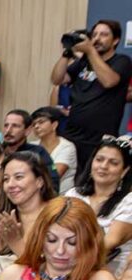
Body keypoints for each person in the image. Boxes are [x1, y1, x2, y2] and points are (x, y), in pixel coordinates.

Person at [52, 19, 132, 179]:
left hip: (98, 139)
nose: (97, 38)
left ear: (115, 40)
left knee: (87, 183)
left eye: (103, 35)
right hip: (71, 134)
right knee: (62, 182)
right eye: (94, 34)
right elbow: (57, 79)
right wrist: (66, 53)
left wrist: (90, 51)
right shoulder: (83, 62)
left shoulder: (122, 61)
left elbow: (109, 81)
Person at [65, 136, 132, 275]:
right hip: (66, 267)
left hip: (109, 277)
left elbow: (108, 244)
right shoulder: (74, 194)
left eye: (113, 163)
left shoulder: (129, 201)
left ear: (124, 171)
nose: (103, 166)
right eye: (99, 159)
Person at [0, 151, 58, 260]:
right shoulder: (1, 216)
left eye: (19, 177)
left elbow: (49, 269)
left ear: (39, 181)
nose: (10, 185)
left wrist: (15, 242)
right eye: (6, 179)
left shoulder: (58, 215)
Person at [1, 109, 59, 189]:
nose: (8, 130)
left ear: (27, 131)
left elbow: (52, 183)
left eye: (15, 126)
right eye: (6, 125)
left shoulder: (37, 153)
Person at [32, 106, 78, 193]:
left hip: (62, 198)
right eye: (34, 124)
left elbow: (54, 175)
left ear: (54, 125)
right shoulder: (32, 146)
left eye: (41, 122)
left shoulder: (67, 147)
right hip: (37, 194)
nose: (36, 126)